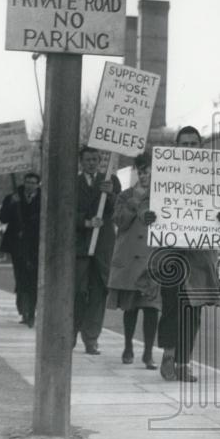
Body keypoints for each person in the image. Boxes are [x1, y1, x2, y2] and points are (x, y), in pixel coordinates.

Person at [150, 126, 220, 383]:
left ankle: (184, 363)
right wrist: (148, 216)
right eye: (185, 143)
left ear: (201, 146)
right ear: (176, 146)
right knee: (172, 307)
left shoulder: (212, 176)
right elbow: (146, 211)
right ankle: (169, 357)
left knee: (193, 312)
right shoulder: (163, 175)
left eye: (194, 144)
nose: (190, 148)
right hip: (171, 254)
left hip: (200, 258)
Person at [106, 151, 160, 368]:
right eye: (141, 171)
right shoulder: (126, 195)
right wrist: (135, 200)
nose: (145, 175)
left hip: (152, 260)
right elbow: (119, 221)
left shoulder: (164, 195)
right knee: (130, 308)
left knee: (151, 308)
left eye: (148, 170)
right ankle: (128, 346)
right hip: (129, 259)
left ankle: (148, 352)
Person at [75, 146, 121, 355]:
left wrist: (110, 194)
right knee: (77, 291)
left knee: (98, 291)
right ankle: (71, 333)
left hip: (102, 245)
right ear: (81, 161)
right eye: (87, 159)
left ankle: (91, 338)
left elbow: (120, 209)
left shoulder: (110, 180)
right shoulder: (73, 183)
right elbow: (65, 210)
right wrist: (85, 222)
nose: (92, 163)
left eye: (95, 159)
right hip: (80, 245)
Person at [0, 171, 42, 327]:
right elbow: (3, 218)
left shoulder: (44, 198)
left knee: (34, 278)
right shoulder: (13, 197)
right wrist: (11, 204)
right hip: (18, 244)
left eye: (34, 182)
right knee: (21, 277)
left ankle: (31, 311)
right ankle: (24, 310)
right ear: (24, 182)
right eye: (28, 182)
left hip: (37, 244)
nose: (30, 185)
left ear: (38, 184)